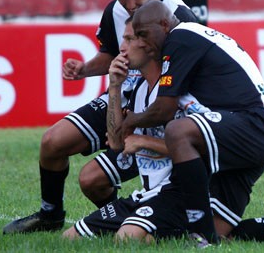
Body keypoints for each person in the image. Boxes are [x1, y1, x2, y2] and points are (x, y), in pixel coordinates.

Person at [2, 0, 198, 235]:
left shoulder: (179, 16)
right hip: (120, 96)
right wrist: (84, 69)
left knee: (91, 180)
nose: (130, 5)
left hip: (159, 107)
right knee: (52, 142)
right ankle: (51, 215)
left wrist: (146, 115)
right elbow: (109, 55)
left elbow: (191, 73)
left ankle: (136, 218)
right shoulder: (115, 13)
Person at [123, 0, 264, 244]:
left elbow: (164, 108)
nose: (140, 42)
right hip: (252, 132)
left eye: (143, 34)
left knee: (178, 132)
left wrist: (131, 120)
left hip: (250, 125)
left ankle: (200, 236)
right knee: (222, 234)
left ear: (164, 25)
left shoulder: (180, 37)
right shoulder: (187, 37)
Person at [62, 19, 193, 243]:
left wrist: (144, 141)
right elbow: (115, 143)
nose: (121, 47)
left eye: (129, 39)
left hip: (178, 195)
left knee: (126, 240)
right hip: (146, 194)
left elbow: (200, 149)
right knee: (69, 239)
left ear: (149, 46)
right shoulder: (139, 89)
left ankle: (190, 230)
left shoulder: (177, 93)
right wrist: (114, 86)